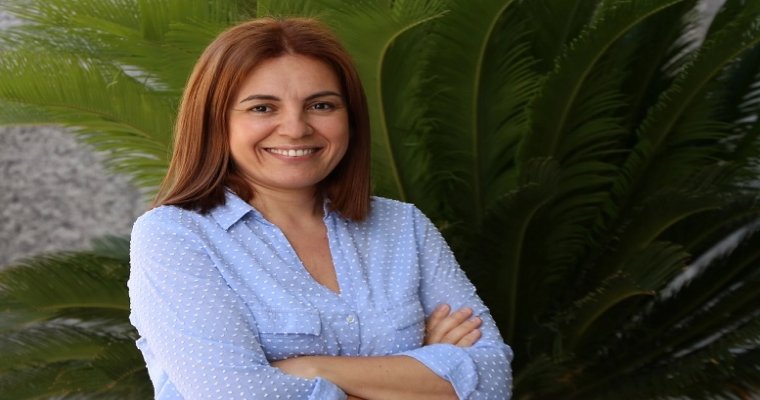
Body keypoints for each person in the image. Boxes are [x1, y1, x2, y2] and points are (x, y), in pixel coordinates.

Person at [128, 17, 512, 400]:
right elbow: (234, 395)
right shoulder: (175, 236)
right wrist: (422, 374)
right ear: (215, 121)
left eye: (321, 105)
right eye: (262, 108)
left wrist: (311, 368)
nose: (296, 129)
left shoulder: (403, 226)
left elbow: (493, 379)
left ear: (351, 118)